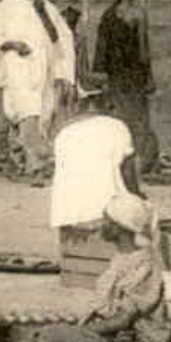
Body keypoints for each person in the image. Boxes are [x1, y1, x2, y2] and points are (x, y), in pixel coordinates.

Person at [20, 192, 170, 342]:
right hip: (115, 339)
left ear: (119, 227)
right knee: (39, 340)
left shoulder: (143, 264)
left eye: (106, 220)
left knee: (49, 337)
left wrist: (83, 331)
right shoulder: (123, 258)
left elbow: (122, 320)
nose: (102, 225)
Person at [0, 0, 75, 182]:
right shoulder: (6, 7)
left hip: (42, 69)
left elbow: (59, 37)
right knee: (28, 113)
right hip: (17, 67)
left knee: (41, 115)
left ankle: (20, 162)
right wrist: (12, 44)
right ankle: (37, 168)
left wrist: (42, 12)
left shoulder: (45, 6)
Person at [48, 76, 140, 245]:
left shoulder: (63, 133)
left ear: (78, 101)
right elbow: (129, 177)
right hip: (105, 220)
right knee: (144, 213)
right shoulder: (117, 127)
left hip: (66, 220)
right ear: (106, 99)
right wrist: (141, 203)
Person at [93, 0, 159, 175]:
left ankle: (117, 157)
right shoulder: (138, 14)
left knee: (117, 113)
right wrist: (149, 76)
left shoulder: (109, 14)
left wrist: (98, 71)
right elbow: (143, 49)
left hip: (115, 73)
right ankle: (139, 160)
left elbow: (101, 47)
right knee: (138, 115)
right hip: (135, 74)